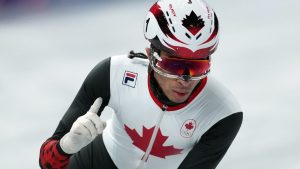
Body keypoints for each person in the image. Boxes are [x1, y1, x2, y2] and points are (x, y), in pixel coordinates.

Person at [39, 0, 243, 168]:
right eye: (173, 65)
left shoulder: (223, 114)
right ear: (150, 56)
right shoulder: (113, 73)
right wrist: (66, 147)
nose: (185, 79)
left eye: (197, 68)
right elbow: (46, 163)